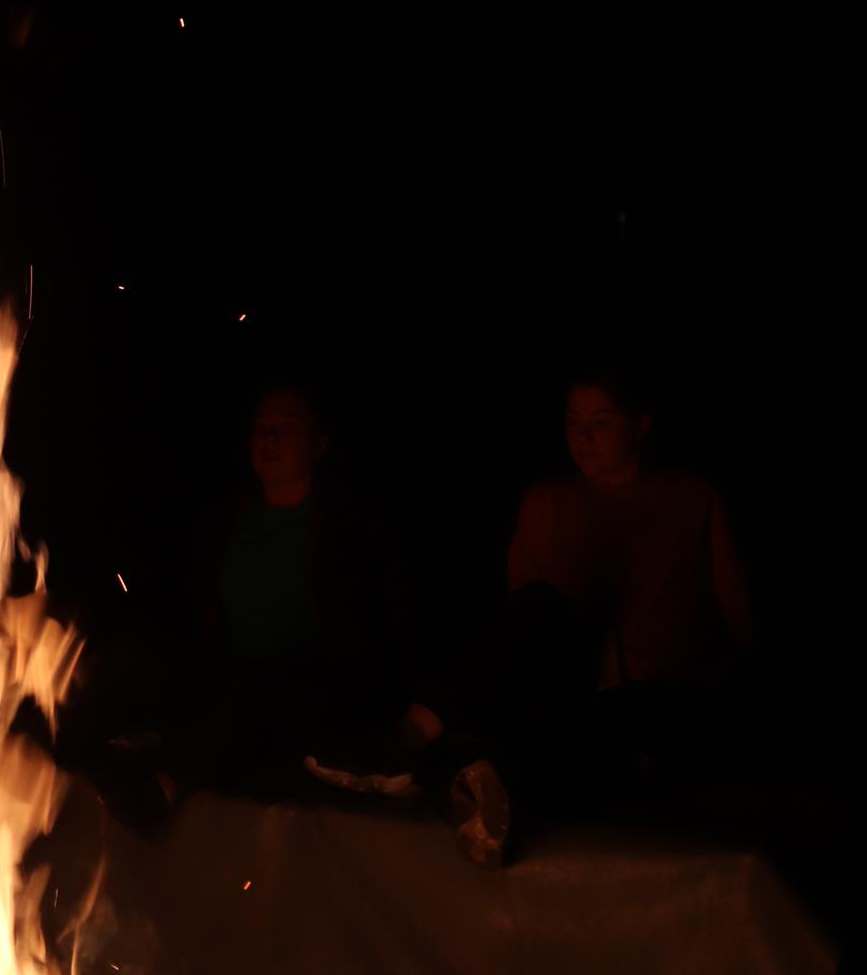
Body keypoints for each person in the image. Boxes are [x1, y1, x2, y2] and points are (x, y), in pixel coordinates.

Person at [420, 367, 755, 865]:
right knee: (538, 620)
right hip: (567, 695)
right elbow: (523, 625)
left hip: (660, 698)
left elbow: (739, 615)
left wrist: (740, 683)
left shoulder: (690, 498)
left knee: (620, 722)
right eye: (573, 421)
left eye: (600, 421)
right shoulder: (548, 501)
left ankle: (495, 788)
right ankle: (425, 740)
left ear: (639, 426)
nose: (583, 435)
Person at [177, 382, 442, 802]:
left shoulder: (348, 530)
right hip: (238, 687)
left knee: (264, 697)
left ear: (318, 445)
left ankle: (170, 784)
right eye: (263, 426)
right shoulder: (225, 525)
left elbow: (384, 627)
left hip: (317, 692)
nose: (271, 438)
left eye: (287, 427)